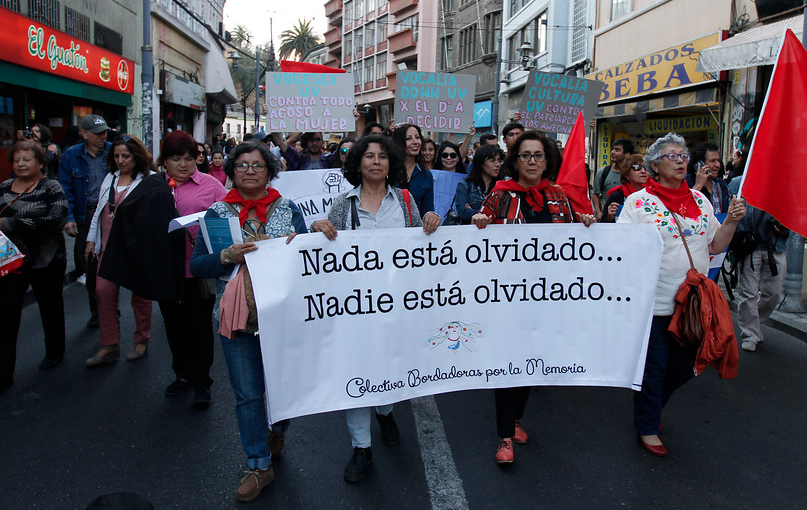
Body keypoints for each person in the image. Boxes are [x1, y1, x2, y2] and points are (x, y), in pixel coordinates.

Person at [310, 134, 439, 483]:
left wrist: (430, 221)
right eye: (369, 156)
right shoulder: (342, 204)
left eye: (383, 156)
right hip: (355, 308)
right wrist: (317, 227)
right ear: (358, 163)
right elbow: (321, 246)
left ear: (391, 163)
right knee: (355, 370)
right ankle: (361, 447)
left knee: (388, 365)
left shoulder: (408, 202)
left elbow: (424, 249)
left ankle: (384, 411)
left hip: (398, 307)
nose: (376, 162)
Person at [190, 141, 307, 502]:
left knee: (284, 386)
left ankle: (278, 428)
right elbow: (197, 266)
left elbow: (313, 258)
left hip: (282, 314)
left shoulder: (289, 208)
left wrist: (301, 244)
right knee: (247, 394)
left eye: (257, 165)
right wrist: (225, 255)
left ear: (270, 171)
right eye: (242, 165)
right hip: (237, 318)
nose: (250, 170)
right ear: (231, 171)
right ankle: (259, 466)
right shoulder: (216, 213)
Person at [617, 132, 746, 457]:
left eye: (683, 156)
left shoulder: (700, 202)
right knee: (656, 368)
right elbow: (620, 250)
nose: (679, 161)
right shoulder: (638, 203)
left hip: (693, 306)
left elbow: (716, 246)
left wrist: (730, 221)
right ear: (654, 165)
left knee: (687, 367)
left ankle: (650, 404)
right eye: (671, 155)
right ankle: (647, 424)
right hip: (655, 304)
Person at [471, 131, 595, 464]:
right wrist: (480, 222)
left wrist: (584, 224)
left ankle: (514, 418)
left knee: (531, 362)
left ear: (547, 160)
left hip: (545, 297)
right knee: (507, 365)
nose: (531, 161)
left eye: (538, 155)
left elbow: (571, 241)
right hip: (507, 297)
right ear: (514, 160)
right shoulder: (499, 195)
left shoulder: (558, 195)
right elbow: (479, 233)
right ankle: (504, 436)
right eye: (525, 155)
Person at [156, 131, 226, 406]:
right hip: (167, 271)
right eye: (176, 159)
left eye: (189, 158)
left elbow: (229, 216)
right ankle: (182, 374)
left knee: (199, 325)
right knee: (174, 325)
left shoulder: (210, 185)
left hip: (198, 270)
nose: (184, 165)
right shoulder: (156, 188)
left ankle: (201, 381)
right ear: (165, 162)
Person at [0, 141, 68, 390]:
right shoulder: (4, 188)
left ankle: (55, 351)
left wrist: (11, 223)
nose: (21, 164)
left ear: (41, 163)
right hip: (11, 262)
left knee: (50, 308)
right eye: (17, 159)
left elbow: (55, 220)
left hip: (46, 260)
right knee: (6, 316)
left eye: (27, 159)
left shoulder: (51, 187)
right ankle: (4, 372)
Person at [83, 135, 155, 367]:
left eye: (126, 156)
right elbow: (99, 211)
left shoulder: (149, 180)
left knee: (141, 297)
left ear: (137, 156)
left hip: (136, 250)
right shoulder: (110, 178)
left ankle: (141, 339)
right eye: (116, 156)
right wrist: (91, 239)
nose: (121, 161)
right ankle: (109, 345)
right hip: (108, 248)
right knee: (103, 292)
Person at [58, 114, 112, 329]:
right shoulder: (71, 156)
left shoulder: (112, 151)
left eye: (104, 132)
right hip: (85, 215)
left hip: (110, 214)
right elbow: (66, 190)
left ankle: (110, 309)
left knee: (111, 264)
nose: (102, 137)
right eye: (97, 133)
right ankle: (97, 311)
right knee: (90, 266)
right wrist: (68, 218)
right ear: (84, 134)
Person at [727, 178, 789, 352]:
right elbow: (728, 213)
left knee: (774, 294)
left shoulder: (781, 184)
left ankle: (755, 323)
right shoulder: (739, 183)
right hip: (749, 246)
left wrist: (784, 228)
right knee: (748, 292)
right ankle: (750, 333)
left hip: (775, 246)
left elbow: (791, 213)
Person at [390, 124, 441, 232]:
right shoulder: (387, 170)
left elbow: (427, 209)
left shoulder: (426, 175)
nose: (415, 142)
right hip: (388, 230)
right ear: (399, 142)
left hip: (413, 234)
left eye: (417, 137)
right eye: (408, 138)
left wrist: (432, 218)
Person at [454, 144, 503, 224]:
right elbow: (463, 213)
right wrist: (491, 215)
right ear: (481, 162)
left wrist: (474, 212)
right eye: (492, 160)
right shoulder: (465, 185)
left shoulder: (503, 186)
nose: (497, 164)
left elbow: (506, 214)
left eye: (499, 160)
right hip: (471, 233)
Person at [592, 138, 634, 219]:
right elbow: (595, 194)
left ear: (627, 154)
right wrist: (598, 212)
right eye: (613, 149)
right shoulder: (603, 172)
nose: (612, 152)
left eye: (617, 150)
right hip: (607, 217)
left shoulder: (633, 173)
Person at [600, 154, 649, 222]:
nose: (643, 171)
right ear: (626, 175)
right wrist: (610, 217)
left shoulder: (655, 194)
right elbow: (603, 225)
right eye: (637, 167)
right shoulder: (617, 197)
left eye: (646, 167)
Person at [685, 143, 730, 214]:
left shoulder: (721, 185)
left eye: (718, 160)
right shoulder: (687, 185)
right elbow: (684, 210)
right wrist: (698, 186)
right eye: (712, 161)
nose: (717, 165)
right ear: (700, 164)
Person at [272, 131, 339, 170]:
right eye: (311, 140)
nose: (314, 143)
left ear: (322, 142)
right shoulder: (298, 159)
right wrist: (272, 117)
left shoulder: (330, 160)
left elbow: (348, 144)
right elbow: (279, 143)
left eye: (318, 140)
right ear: (306, 142)